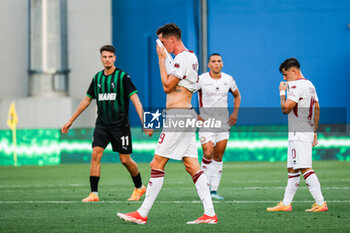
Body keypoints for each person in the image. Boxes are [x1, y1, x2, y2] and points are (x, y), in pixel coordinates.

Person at [117, 23, 217, 224]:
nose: (163, 46)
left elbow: (167, 86)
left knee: (157, 163)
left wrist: (161, 60)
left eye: (163, 42)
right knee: (192, 166)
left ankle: (142, 214)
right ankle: (210, 214)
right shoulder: (186, 57)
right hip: (184, 115)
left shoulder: (184, 57)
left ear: (172, 40)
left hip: (179, 118)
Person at [61, 45, 153, 202]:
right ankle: (93, 194)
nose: (107, 59)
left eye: (110, 56)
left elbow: (136, 101)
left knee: (125, 160)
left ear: (115, 58)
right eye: (104, 57)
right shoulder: (97, 78)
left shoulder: (123, 77)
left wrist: (146, 122)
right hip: (102, 125)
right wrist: (70, 120)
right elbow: (87, 100)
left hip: (120, 126)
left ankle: (139, 187)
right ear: (101, 59)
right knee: (96, 154)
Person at [266, 58, 328, 212]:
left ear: (293, 71)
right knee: (292, 169)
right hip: (304, 131)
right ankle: (286, 203)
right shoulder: (310, 85)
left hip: (298, 133)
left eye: (285, 74)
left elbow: (285, 109)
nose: (284, 79)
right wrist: (313, 131)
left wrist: (281, 91)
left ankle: (320, 203)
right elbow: (317, 108)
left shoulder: (296, 85)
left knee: (305, 168)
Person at [197, 53, 241, 200]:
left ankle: (214, 191)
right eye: (213, 61)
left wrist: (235, 113)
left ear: (222, 64)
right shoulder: (201, 79)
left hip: (223, 124)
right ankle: (204, 188)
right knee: (208, 152)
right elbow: (187, 94)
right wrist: (194, 114)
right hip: (206, 123)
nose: (216, 63)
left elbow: (237, 95)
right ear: (208, 64)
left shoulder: (228, 80)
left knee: (218, 156)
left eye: (219, 61)